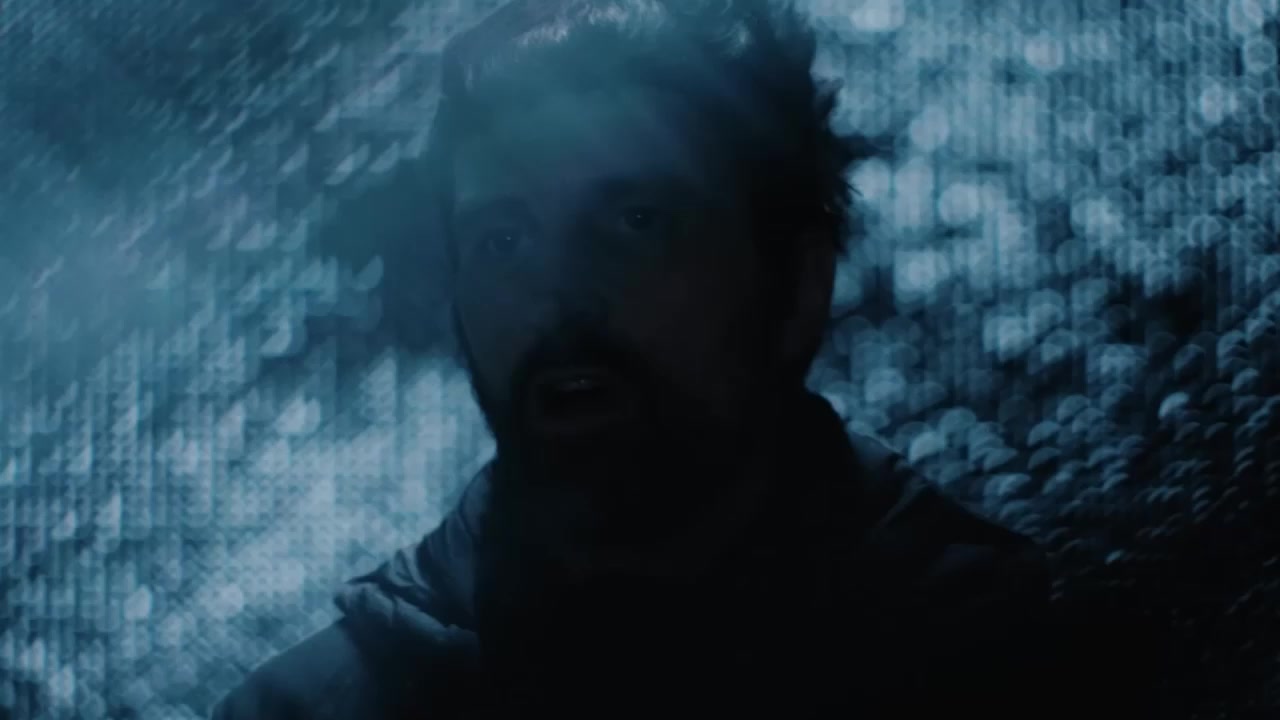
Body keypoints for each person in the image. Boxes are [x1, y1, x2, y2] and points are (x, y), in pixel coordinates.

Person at [211, 1, 1076, 717]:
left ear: (798, 284)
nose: (558, 295)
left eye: (636, 224)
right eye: (503, 240)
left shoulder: (1006, 669)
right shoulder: (307, 709)